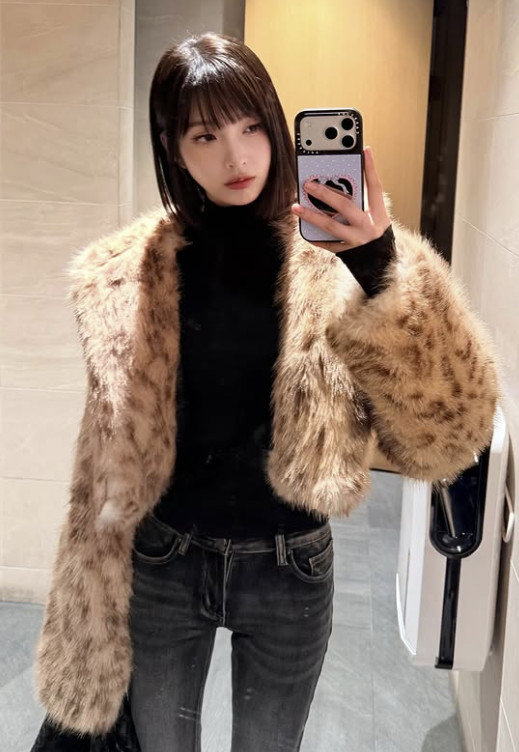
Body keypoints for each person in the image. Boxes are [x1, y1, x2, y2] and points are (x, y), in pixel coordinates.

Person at [32, 31, 499, 752]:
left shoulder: (341, 261)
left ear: (278, 129)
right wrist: (84, 612)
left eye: (251, 127)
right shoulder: (125, 276)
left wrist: (379, 268)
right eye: (205, 135)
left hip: (289, 566)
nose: (237, 157)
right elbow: (101, 465)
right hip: (165, 560)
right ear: (174, 149)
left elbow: (449, 434)